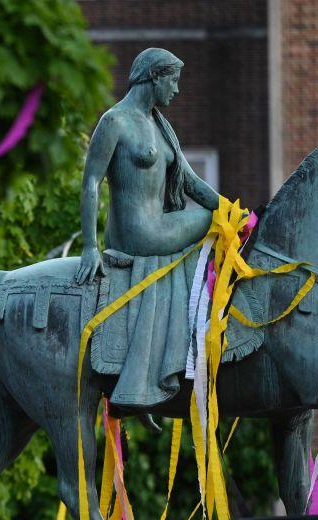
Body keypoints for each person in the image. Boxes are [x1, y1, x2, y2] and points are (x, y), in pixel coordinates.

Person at [75, 47, 221, 408]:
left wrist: (235, 212)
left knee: (221, 220)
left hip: (158, 226)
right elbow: (91, 182)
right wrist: (90, 246)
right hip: (137, 233)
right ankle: (185, 348)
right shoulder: (115, 122)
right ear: (154, 76)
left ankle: (178, 338)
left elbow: (189, 183)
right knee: (210, 223)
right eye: (173, 81)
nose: (177, 90)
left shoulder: (160, 125)